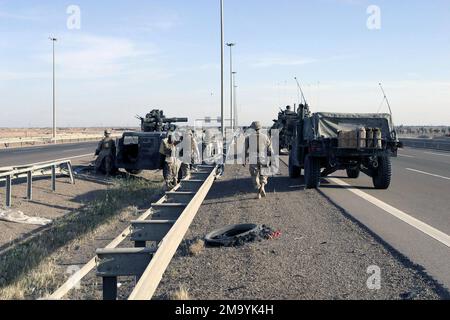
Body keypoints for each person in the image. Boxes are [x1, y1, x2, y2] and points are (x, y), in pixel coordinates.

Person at [244, 121, 273, 199]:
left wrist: (244, 160)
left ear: (252, 128)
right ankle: (262, 187)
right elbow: (270, 149)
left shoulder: (248, 137)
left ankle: (258, 190)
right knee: (264, 174)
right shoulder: (265, 137)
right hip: (263, 157)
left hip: (253, 158)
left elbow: (245, 150)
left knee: (254, 175)